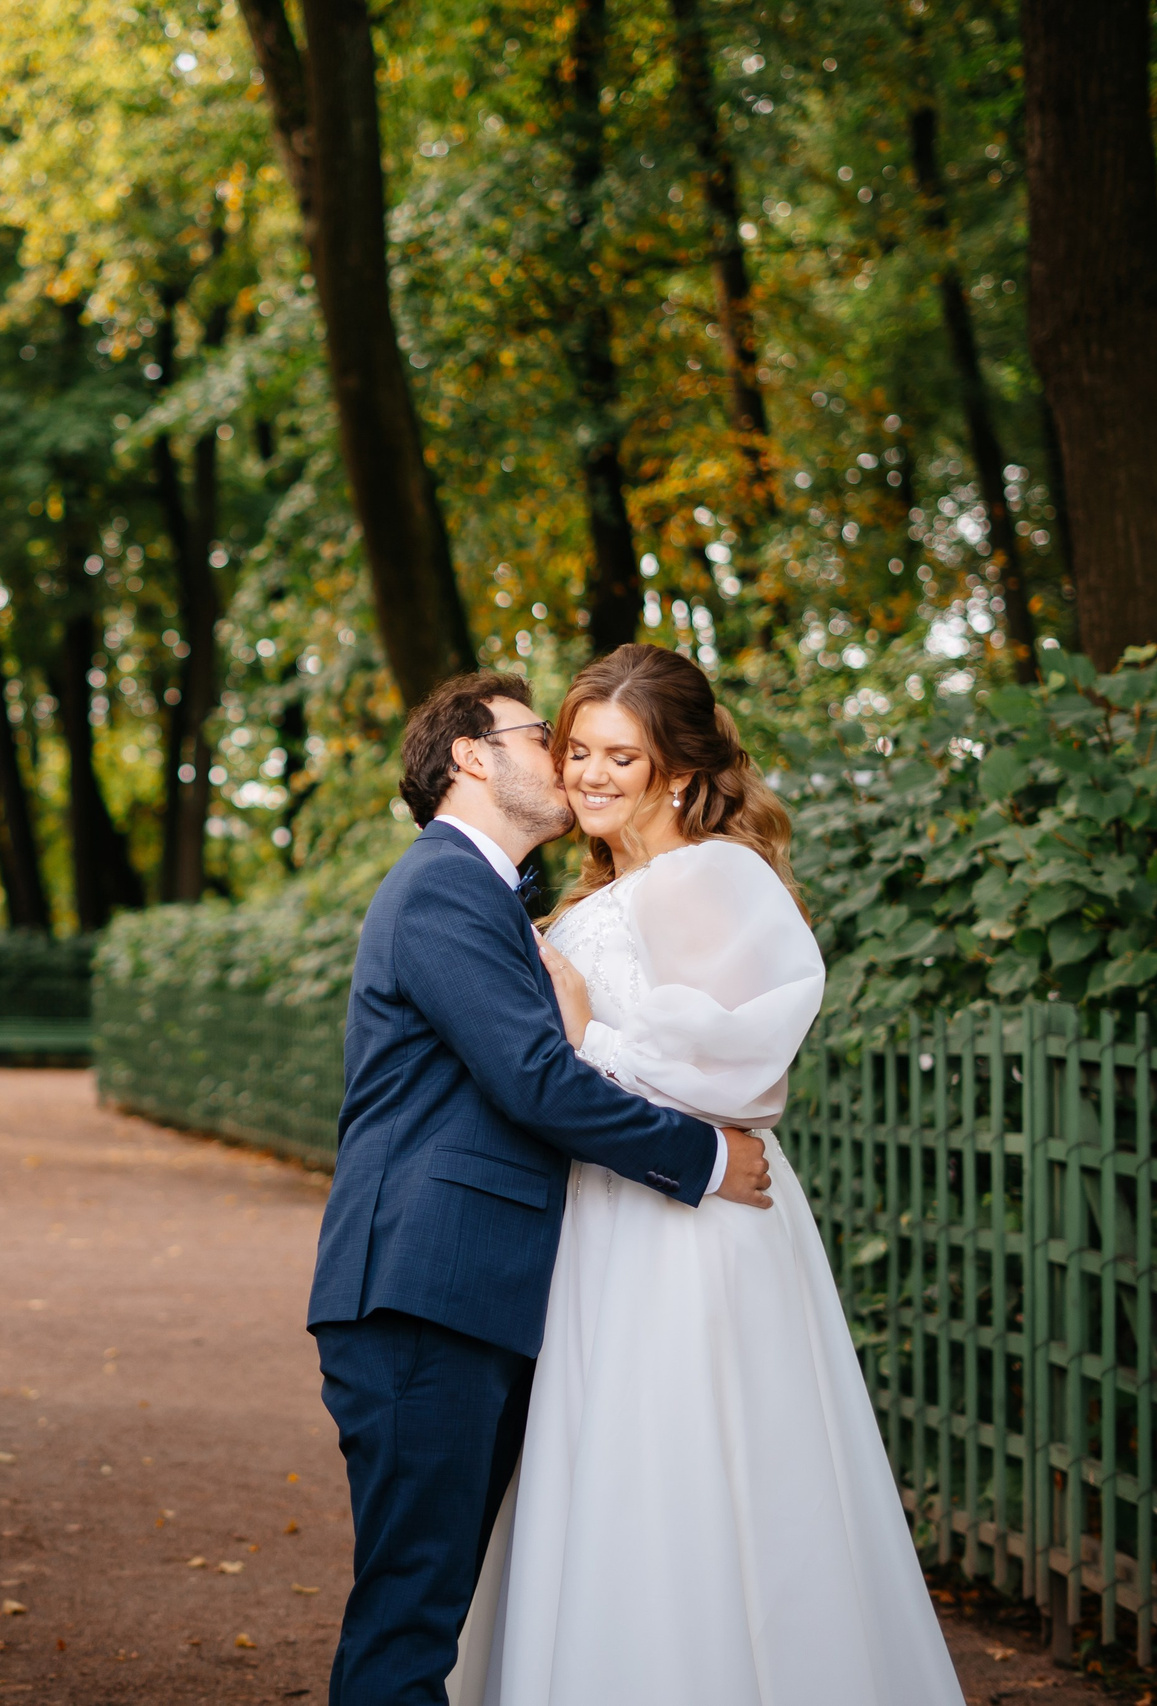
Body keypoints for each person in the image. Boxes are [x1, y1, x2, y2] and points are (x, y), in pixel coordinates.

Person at [446, 644, 962, 1706]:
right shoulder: (601, 889)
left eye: (619, 756)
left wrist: (587, 1039)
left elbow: (743, 1064)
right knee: (608, 1473)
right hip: (607, 1213)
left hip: (689, 1225)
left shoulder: (710, 873)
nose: (588, 773)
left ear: (678, 771)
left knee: (689, 1469)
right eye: (575, 748)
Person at [307, 670, 775, 1706]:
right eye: (540, 737)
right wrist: (702, 1158)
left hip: (469, 1290)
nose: (564, 759)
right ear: (472, 757)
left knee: (432, 1599)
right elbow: (531, 1078)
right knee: (411, 1611)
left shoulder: (491, 894)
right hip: (420, 1291)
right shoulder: (442, 882)